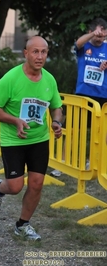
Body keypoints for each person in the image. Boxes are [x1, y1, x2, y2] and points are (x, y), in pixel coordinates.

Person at [0, 36, 64, 241]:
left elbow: (57, 107)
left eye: (43, 52)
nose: (39, 56)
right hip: (14, 140)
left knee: (37, 184)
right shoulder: (11, 79)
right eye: (35, 52)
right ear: (26, 53)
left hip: (39, 139)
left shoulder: (49, 79)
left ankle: (23, 224)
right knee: (15, 186)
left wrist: (57, 122)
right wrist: (15, 121)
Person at [50, 17, 107, 177]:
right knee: (73, 130)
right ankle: (62, 163)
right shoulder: (85, 46)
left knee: (102, 133)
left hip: (103, 97)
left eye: (102, 35)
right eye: (96, 34)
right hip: (83, 96)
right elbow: (78, 43)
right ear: (90, 32)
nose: (99, 37)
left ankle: (95, 162)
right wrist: (91, 35)